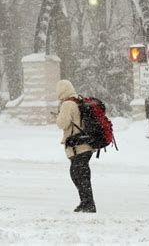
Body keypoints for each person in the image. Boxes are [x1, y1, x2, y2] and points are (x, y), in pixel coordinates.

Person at [55, 80, 96, 213]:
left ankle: (88, 204)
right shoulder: (78, 101)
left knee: (78, 174)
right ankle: (86, 202)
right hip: (86, 144)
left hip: (78, 146)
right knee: (81, 174)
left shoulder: (67, 104)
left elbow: (62, 124)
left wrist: (59, 115)